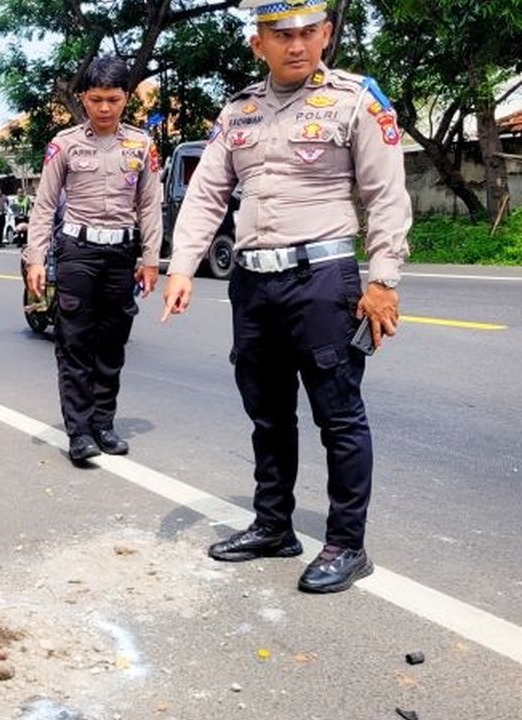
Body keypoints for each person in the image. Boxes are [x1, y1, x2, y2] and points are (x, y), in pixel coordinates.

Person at [160, 0, 411, 594]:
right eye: (281, 34)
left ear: (325, 34)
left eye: (306, 32)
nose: (296, 45)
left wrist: (383, 281)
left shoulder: (356, 100)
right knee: (267, 413)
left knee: (339, 415)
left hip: (322, 281)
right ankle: (274, 525)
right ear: (259, 43)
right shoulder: (238, 111)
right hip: (253, 283)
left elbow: (386, 197)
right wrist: (183, 266)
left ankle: (348, 544)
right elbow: (206, 195)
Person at [25, 55, 163, 464]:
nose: (105, 108)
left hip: (120, 254)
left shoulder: (142, 145)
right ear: (83, 98)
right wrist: (36, 258)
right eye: (97, 99)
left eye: (114, 99)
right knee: (75, 342)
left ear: (126, 99)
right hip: (77, 253)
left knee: (112, 342)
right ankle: (79, 431)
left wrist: (151, 258)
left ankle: (104, 423)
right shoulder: (63, 145)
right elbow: (45, 205)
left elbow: (150, 205)